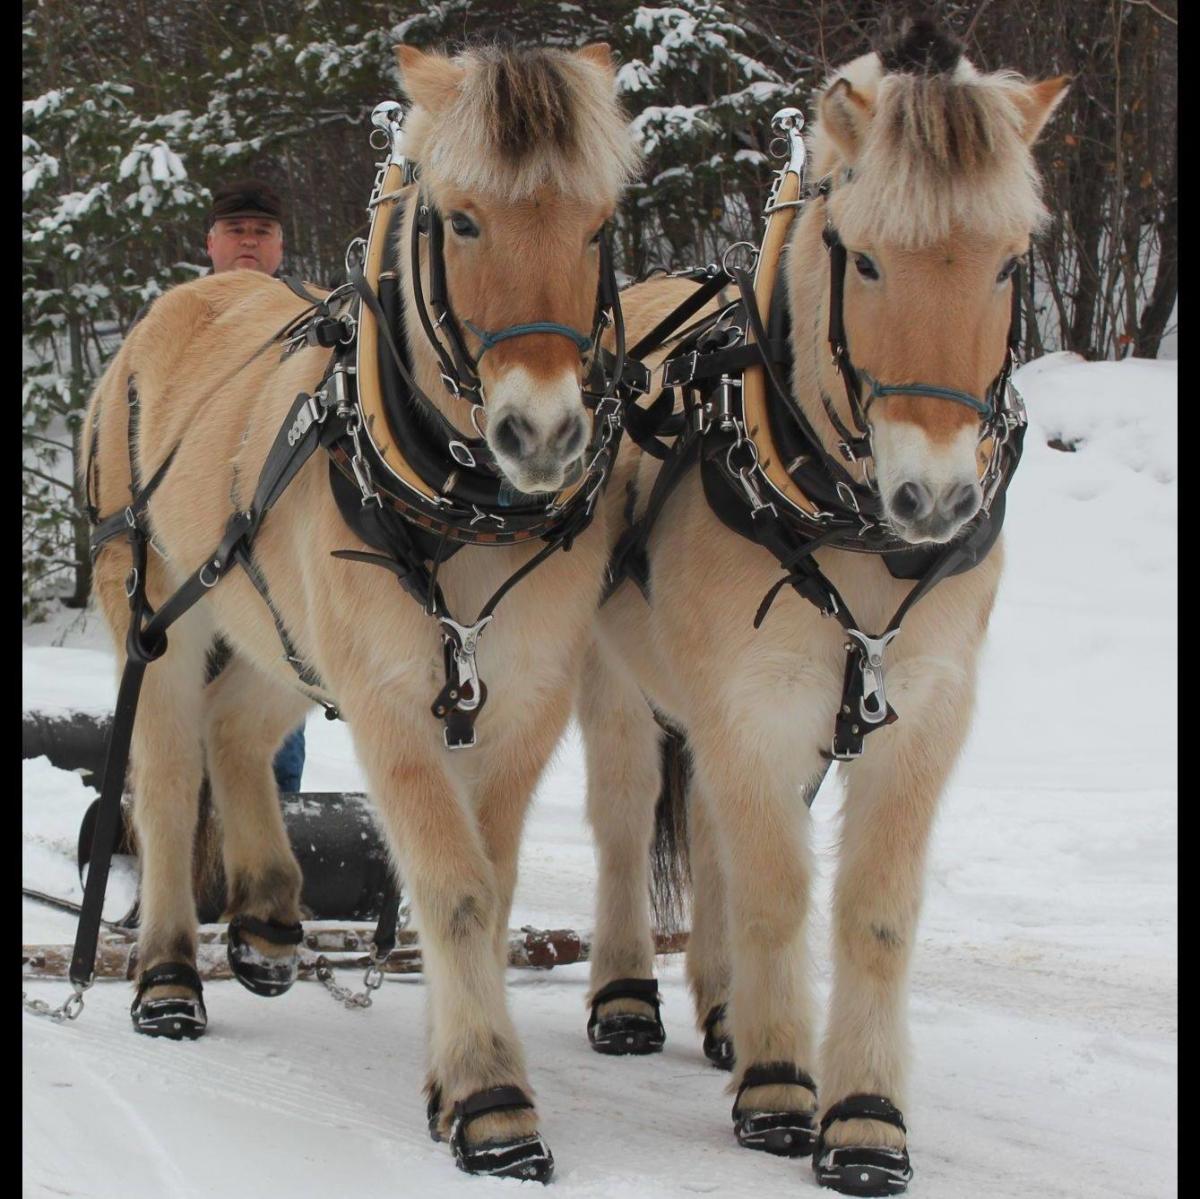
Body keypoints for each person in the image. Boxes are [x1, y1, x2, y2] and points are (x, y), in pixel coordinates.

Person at [204, 181, 306, 794]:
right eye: (237, 230)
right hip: (186, 537)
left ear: (280, 246)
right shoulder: (176, 321)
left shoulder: (313, 318)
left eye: (262, 231)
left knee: (274, 689)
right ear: (211, 241)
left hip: (278, 541)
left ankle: (276, 825)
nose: (249, 240)